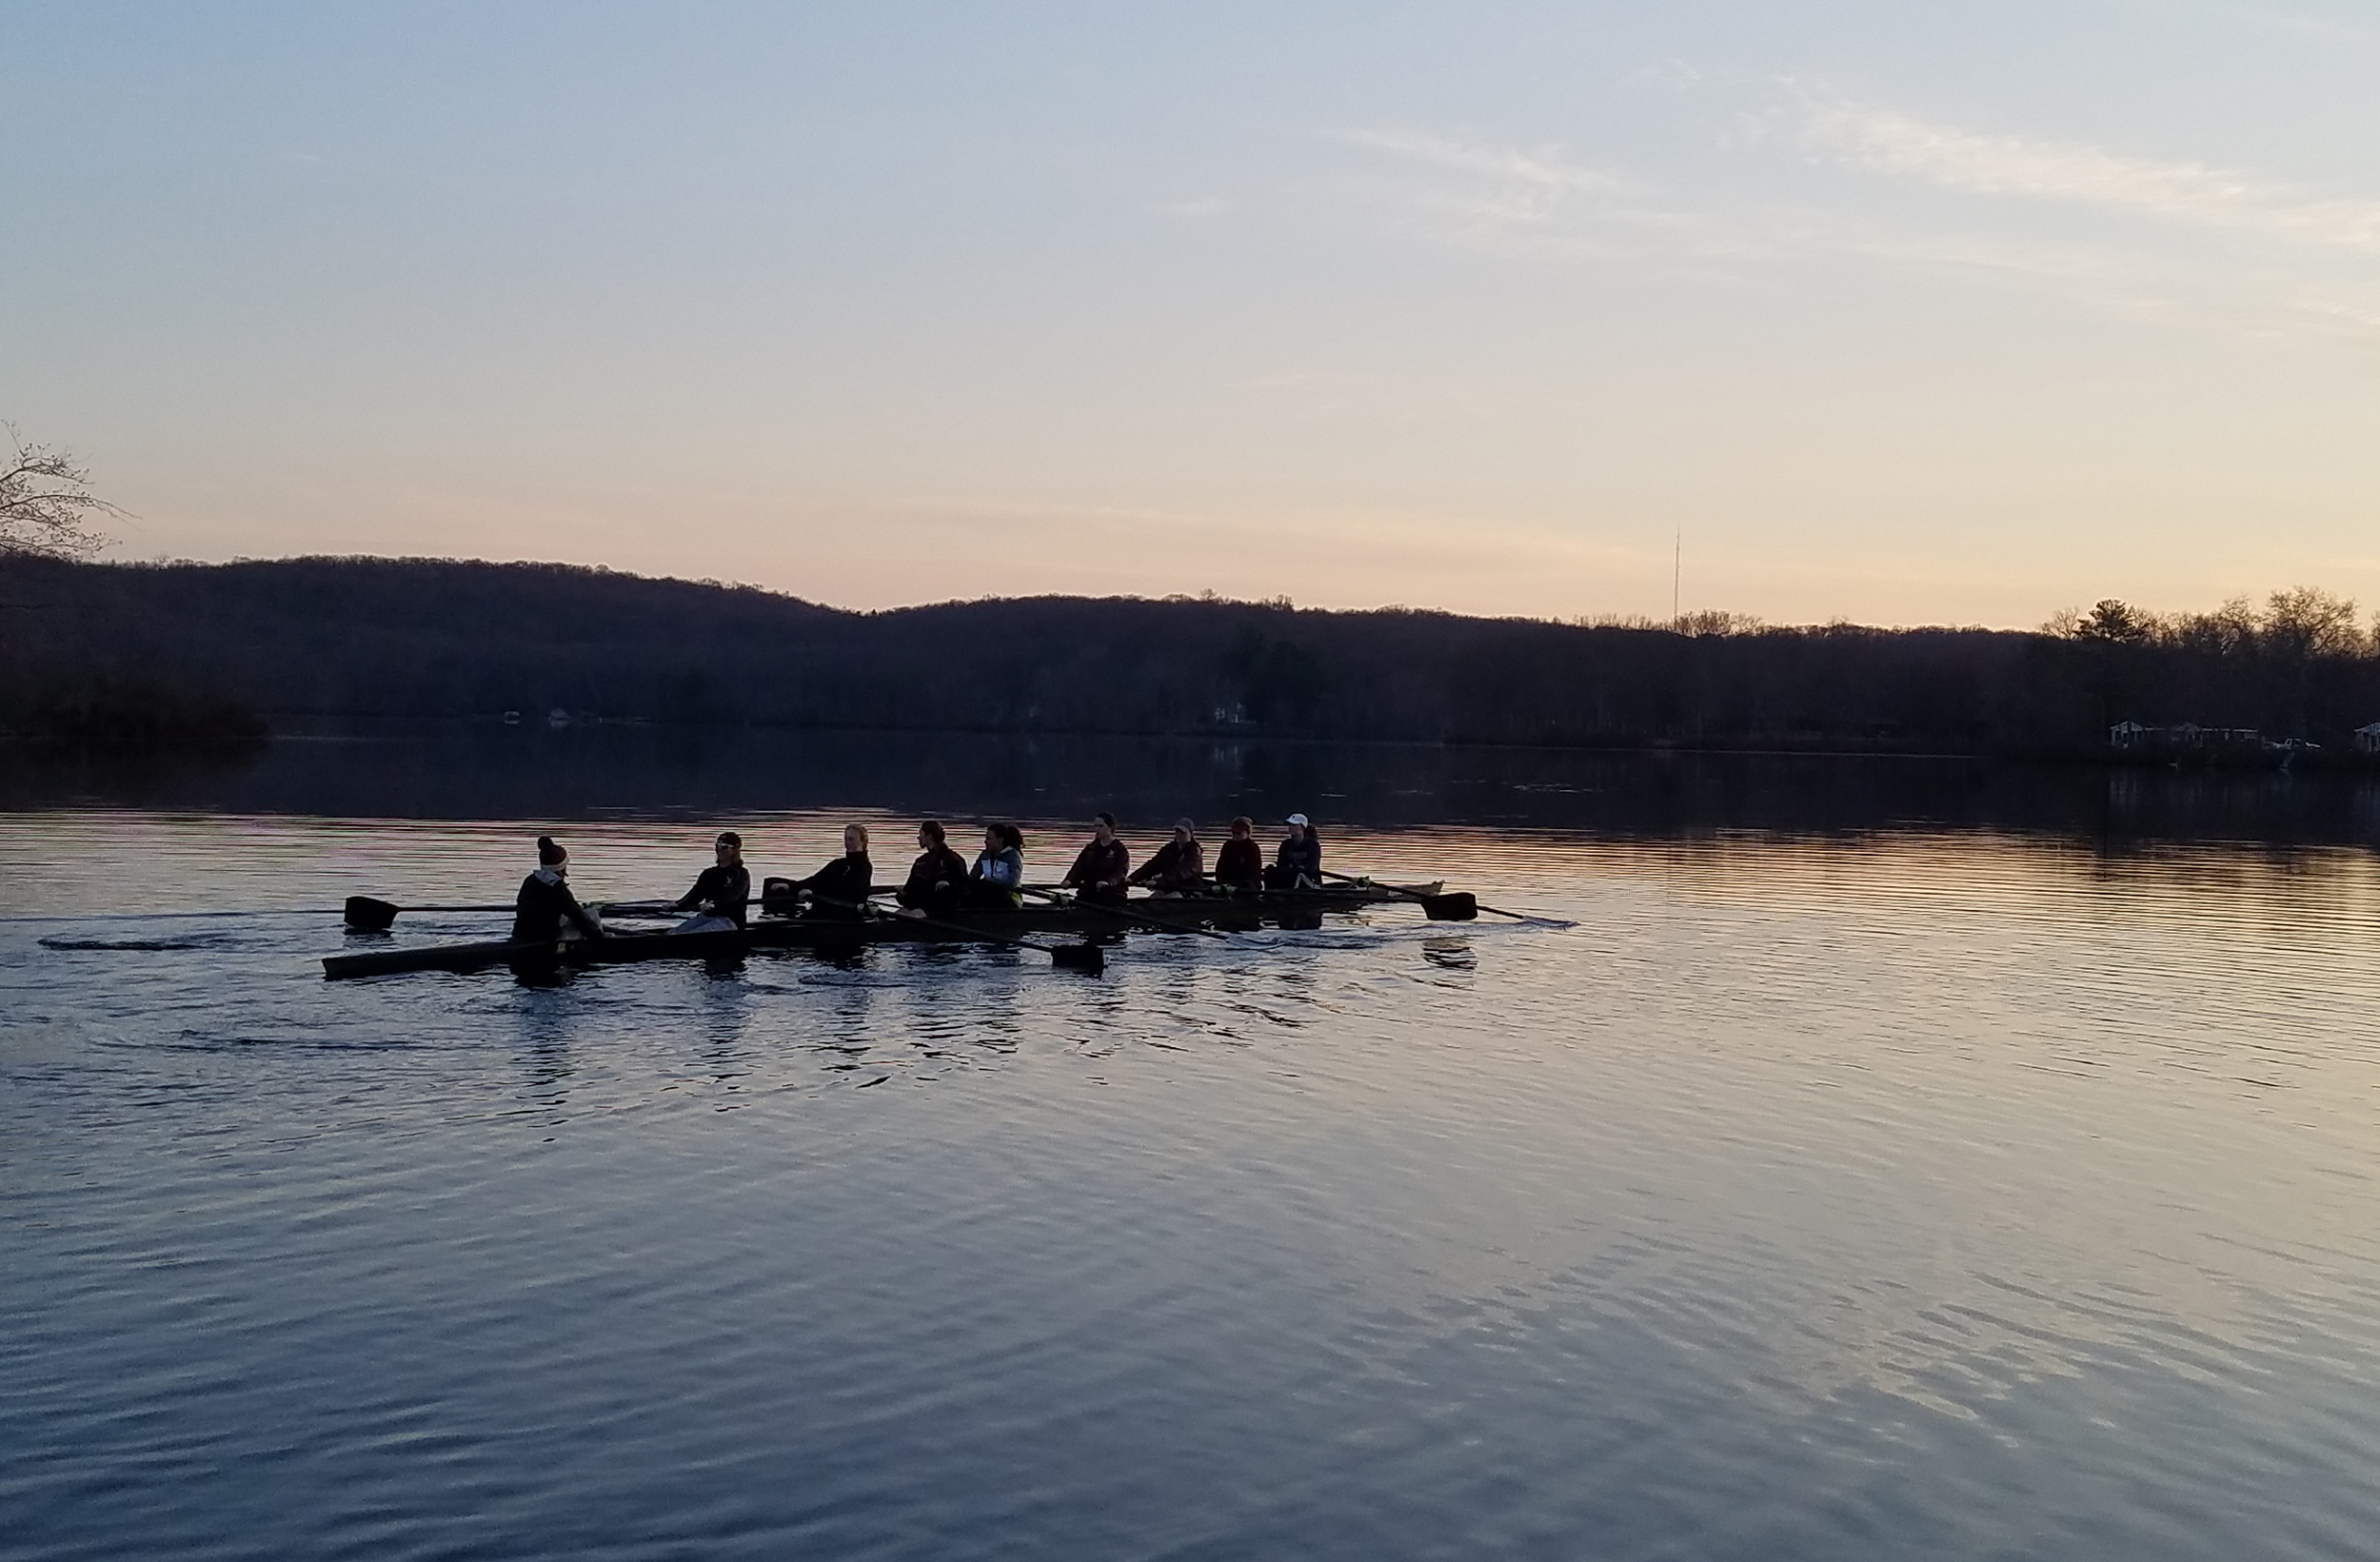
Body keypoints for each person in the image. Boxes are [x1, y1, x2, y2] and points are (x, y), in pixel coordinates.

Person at [512, 835, 606, 944]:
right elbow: (578, 916)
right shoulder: (558, 889)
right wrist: (599, 936)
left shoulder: (530, 880)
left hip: (520, 932)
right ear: (562, 868)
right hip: (545, 938)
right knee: (590, 914)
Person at [667, 830, 750, 933]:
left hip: (729, 921)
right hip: (707, 916)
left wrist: (715, 904)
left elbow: (733, 894)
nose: (719, 850)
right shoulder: (709, 873)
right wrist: (678, 904)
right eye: (717, 846)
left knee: (690, 935)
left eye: (724, 847)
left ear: (734, 850)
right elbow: (696, 895)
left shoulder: (741, 874)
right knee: (672, 933)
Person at [792, 823, 875, 916]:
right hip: (824, 908)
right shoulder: (838, 863)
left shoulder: (864, 867)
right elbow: (815, 880)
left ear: (862, 842)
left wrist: (813, 892)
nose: (847, 843)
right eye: (846, 839)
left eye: (851, 839)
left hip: (844, 912)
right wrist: (791, 887)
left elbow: (845, 889)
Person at [896, 821, 971, 918]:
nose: (918, 837)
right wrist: (902, 894)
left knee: (915, 914)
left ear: (929, 836)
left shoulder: (953, 860)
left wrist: (948, 888)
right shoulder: (920, 862)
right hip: (921, 907)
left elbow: (963, 889)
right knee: (900, 914)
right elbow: (910, 891)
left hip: (940, 910)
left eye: (921, 834)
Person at [1061, 813, 1131, 904]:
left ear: (1111, 828)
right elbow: (1078, 868)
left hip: (1112, 894)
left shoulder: (1120, 850)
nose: (1097, 829)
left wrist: (1108, 882)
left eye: (1101, 826)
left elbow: (1120, 873)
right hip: (1088, 893)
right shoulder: (1090, 849)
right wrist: (1069, 880)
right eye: (1095, 826)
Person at [1129, 818, 1205, 894]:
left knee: (1173, 896)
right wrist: (1133, 878)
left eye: (1183, 833)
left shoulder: (1194, 851)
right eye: (1177, 831)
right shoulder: (1170, 849)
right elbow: (1153, 864)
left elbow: (1182, 872)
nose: (1179, 835)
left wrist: (1159, 882)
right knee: (1155, 897)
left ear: (1191, 834)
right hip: (1169, 887)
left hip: (1189, 889)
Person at [968, 822, 1025, 907]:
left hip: (1010, 898)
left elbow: (1011, 884)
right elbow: (972, 878)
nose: (985, 842)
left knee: (991, 890)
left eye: (989, 839)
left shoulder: (1013, 857)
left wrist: (989, 881)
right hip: (989, 896)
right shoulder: (985, 855)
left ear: (1000, 840)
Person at [1264, 813, 1322, 891]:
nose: (1290, 827)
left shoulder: (1313, 845)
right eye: (1290, 825)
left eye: (1294, 825)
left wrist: (1295, 867)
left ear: (1302, 827)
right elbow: (1281, 864)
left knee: (1298, 873)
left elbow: (1311, 866)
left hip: (1309, 879)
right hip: (1289, 876)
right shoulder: (1286, 844)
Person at [1213, 816, 1263, 892]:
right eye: (1233, 833)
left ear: (1247, 833)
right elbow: (1220, 867)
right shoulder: (1228, 846)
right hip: (1228, 883)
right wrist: (1222, 881)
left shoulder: (1252, 848)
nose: (1235, 836)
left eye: (1239, 833)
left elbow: (1253, 871)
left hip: (1246, 885)